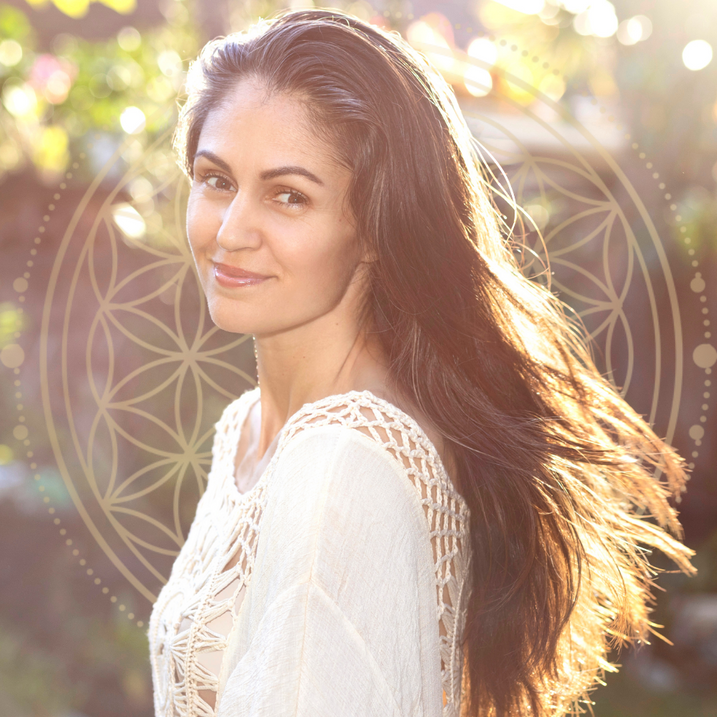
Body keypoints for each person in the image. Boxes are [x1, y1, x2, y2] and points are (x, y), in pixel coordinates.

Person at [147, 8, 695, 717]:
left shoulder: (338, 469)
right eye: (216, 179)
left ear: (377, 226)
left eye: (288, 195)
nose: (230, 231)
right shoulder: (249, 431)